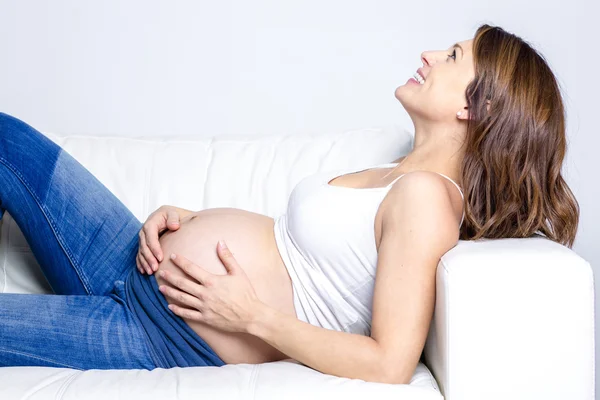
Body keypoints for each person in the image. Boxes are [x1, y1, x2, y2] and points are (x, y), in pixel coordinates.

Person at [0, 23, 579, 384]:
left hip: (159, 331)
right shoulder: (398, 170)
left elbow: (388, 363)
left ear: (474, 108)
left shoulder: (427, 199)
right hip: (136, 259)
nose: (429, 54)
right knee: (7, 139)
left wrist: (250, 318)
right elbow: (294, 253)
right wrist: (189, 219)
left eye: (452, 56)